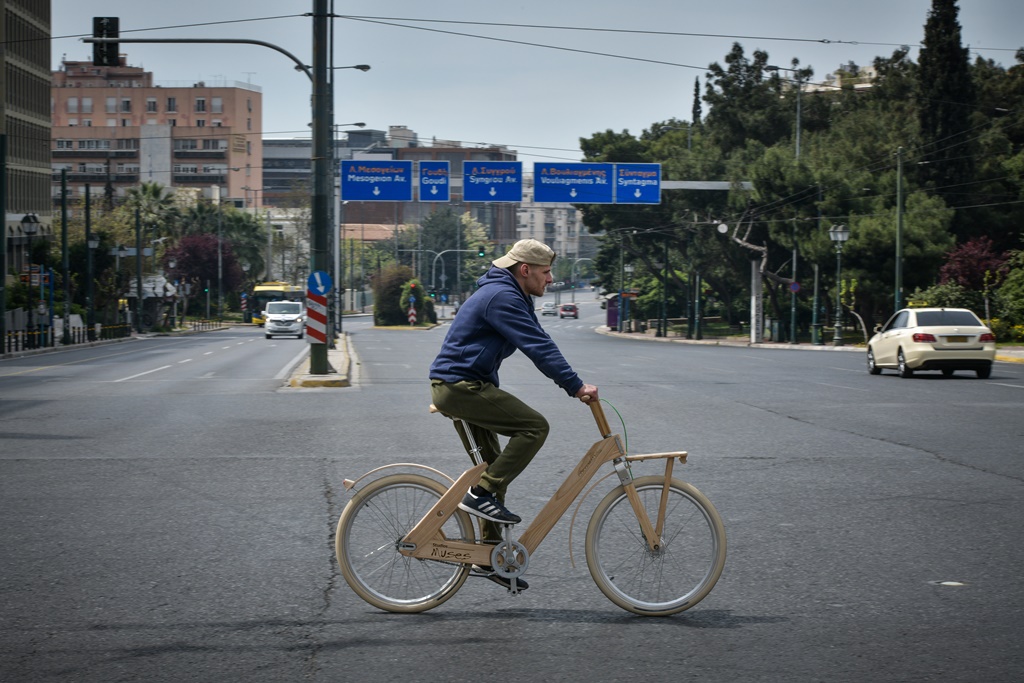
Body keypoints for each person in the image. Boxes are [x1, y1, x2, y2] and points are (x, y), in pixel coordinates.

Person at [429, 239, 599, 590]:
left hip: (461, 386)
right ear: (525, 270)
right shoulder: (502, 297)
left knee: (494, 469)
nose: (550, 279)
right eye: (546, 271)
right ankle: (480, 494)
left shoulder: (508, 294)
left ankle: (490, 558)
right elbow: (538, 345)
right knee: (534, 428)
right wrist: (576, 385)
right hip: (462, 387)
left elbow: (536, 337)